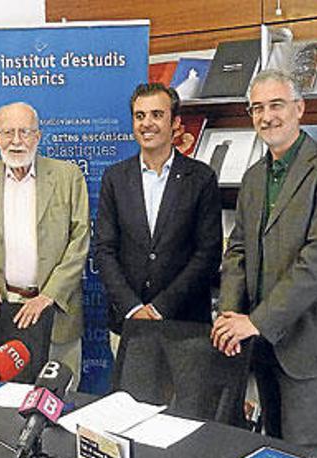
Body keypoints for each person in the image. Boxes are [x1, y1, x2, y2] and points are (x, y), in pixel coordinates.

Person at [211, 69, 317, 444]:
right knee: (272, 453)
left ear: (299, 108)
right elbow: (238, 250)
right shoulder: (254, 178)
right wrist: (230, 316)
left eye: (276, 105)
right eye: (257, 108)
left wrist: (255, 321)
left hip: (310, 344)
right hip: (263, 344)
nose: (267, 116)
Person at [94, 83, 222, 414]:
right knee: (132, 418)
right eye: (140, 116)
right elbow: (105, 250)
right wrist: (135, 309)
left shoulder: (201, 178)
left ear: (175, 123)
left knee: (186, 420)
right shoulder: (114, 178)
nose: (147, 123)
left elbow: (207, 254)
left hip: (184, 326)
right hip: (128, 325)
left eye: (156, 115)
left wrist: (160, 308)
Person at [0, 101, 90, 380]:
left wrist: (48, 296)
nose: (16, 141)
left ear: (38, 136)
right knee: (5, 399)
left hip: (56, 313)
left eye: (25, 132)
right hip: (0, 313)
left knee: (58, 401)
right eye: (8, 133)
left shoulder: (68, 177)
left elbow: (79, 243)